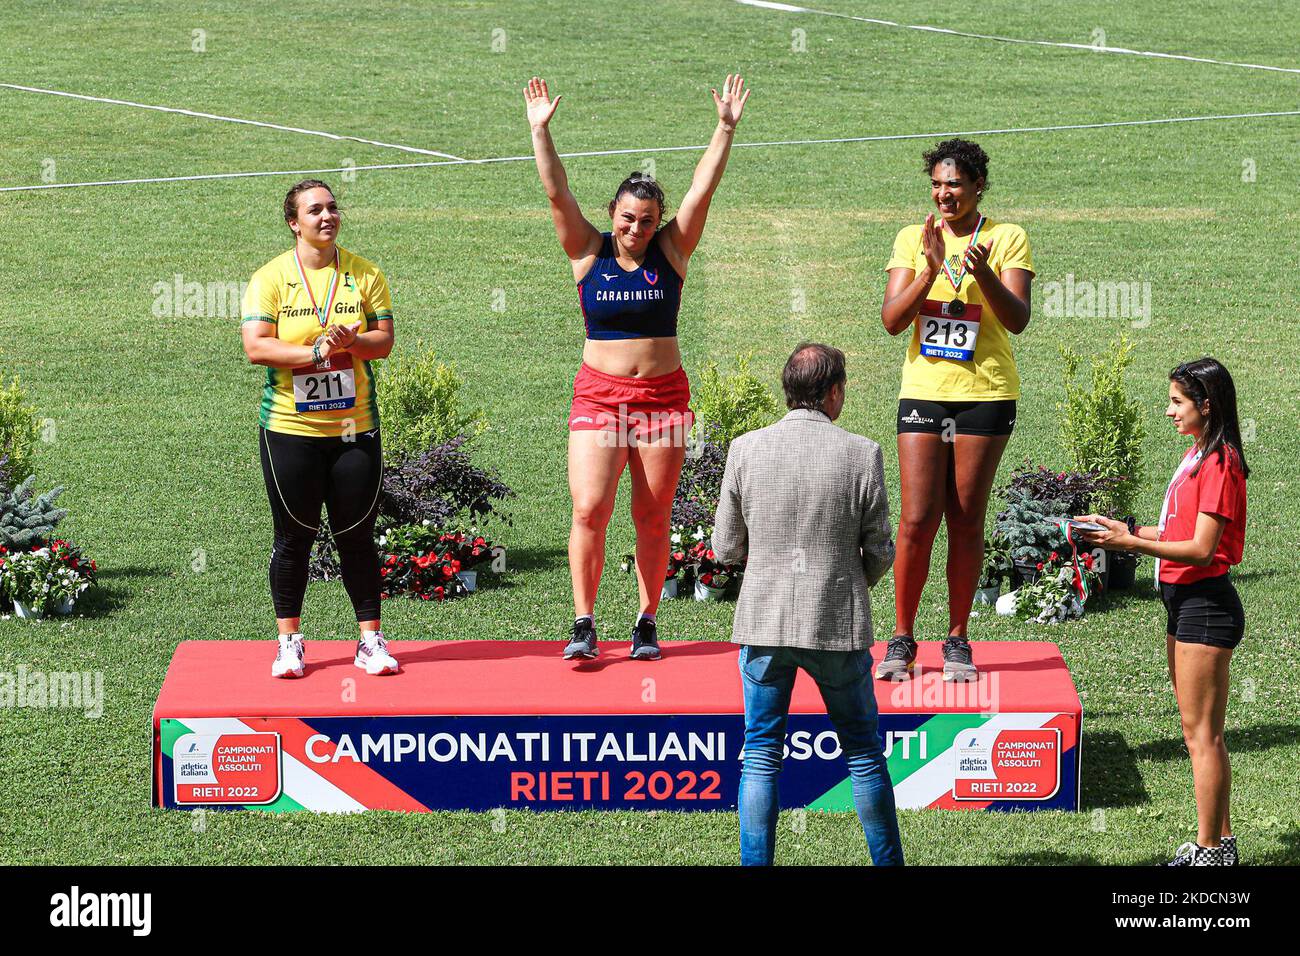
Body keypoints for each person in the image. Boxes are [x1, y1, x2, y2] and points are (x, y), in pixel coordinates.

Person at [524, 74, 751, 661]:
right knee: (588, 509)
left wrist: (723, 129)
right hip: (598, 396)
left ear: (658, 221)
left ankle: (648, 620)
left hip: (663, 400)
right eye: (627, 218)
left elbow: (702, 191)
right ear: (613, 213)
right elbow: (556, 194)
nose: (635, 229)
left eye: (646, 220)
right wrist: (540, 131)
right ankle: (583, 622)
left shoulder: (673, 250)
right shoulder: (587, 250)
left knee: (653, 517)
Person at [712, 343, 903, 866]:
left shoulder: (745, 449)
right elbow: (881, 549)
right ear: (834, 391)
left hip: (764, 625)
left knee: (760, 757)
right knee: (864, 755)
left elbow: (725, 549)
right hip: (836, 626)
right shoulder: (862, 453)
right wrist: (848, 583)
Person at [1078, 358, 1248, 866]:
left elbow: (1200, 549)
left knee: (1203, 736)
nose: (1169, 410)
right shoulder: (1198, 454)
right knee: (1197, 733)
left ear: (1206, 404)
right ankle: (1221, 842)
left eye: (1177, 401)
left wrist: (1129, 542)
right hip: (1183, 605)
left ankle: (1210, 851)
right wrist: (1122, 529)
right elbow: (1176, 533)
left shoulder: (1219, 462)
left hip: (1206, 607)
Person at [876, 139, 1034, 682]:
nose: (945, 194)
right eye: (938, 185)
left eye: (956, 185)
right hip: (925, 391)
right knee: (917, 518)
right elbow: (892, 319)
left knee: (965, 518)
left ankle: (958, 639)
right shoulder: (912, 238)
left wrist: (982, 272)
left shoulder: (1006, 237)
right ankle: (901, 638)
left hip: (985, 396)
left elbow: (1017, 319)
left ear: (977, 187)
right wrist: (930, 270)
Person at [241, 179, 400, 679]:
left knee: (357, 535)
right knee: (294, 537)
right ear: (294, 222)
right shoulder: (270, 278)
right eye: (315, 210)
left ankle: (370, 641)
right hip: (290, 429)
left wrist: (353, 342)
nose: (327, 216)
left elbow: (385, 342)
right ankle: (289, 642)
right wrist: (315, 352)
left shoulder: (365, 274)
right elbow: (257, 347)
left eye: (332, 208)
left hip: (355, 430)